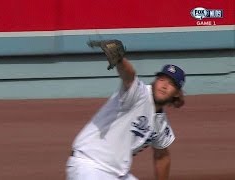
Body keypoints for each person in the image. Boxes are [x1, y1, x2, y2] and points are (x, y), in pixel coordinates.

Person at [66, 40, 186, 180]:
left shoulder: (160, 124)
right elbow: (129, 76)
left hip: (117, 173)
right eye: (161, 80)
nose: (164, 86)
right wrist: (120, 60)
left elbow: (162, 156)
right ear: (155, 80)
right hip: (89, 165)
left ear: (177, 93)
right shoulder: (138, 94)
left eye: (171, 84)